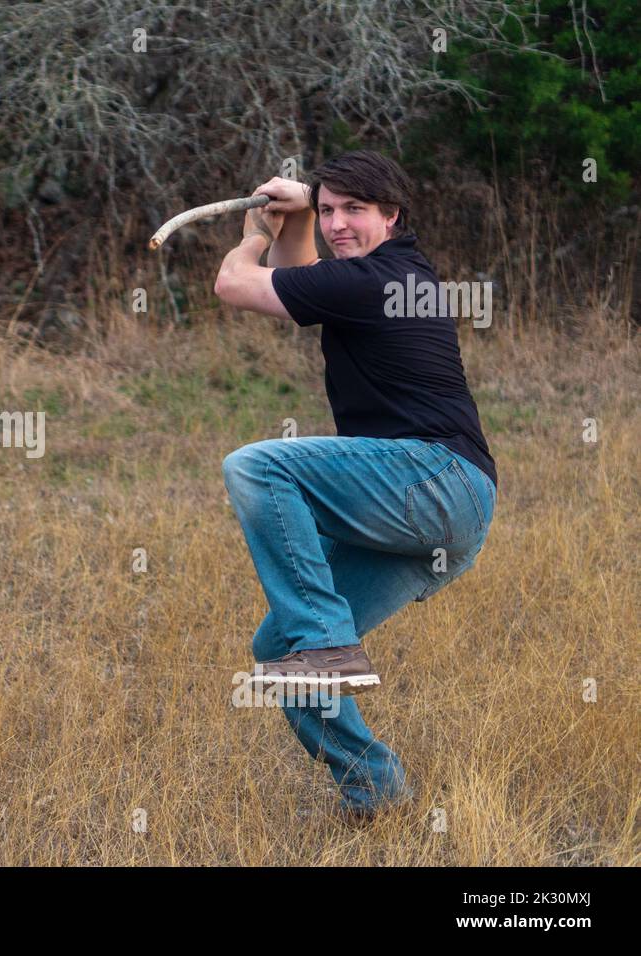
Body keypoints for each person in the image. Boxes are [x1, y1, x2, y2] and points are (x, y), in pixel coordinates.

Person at [213, 150, 497, 820]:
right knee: (279, 649)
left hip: (435, 480)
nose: (339, 223)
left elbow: (234, 284)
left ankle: (327, 642)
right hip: (444, 510)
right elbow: (305, 282)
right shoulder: (381, 276)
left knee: (258, 465)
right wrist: (296, 221)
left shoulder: (378, 278)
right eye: (330, 210)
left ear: (392, 215)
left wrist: (257, 227)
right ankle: (376, 790)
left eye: (355, 211)